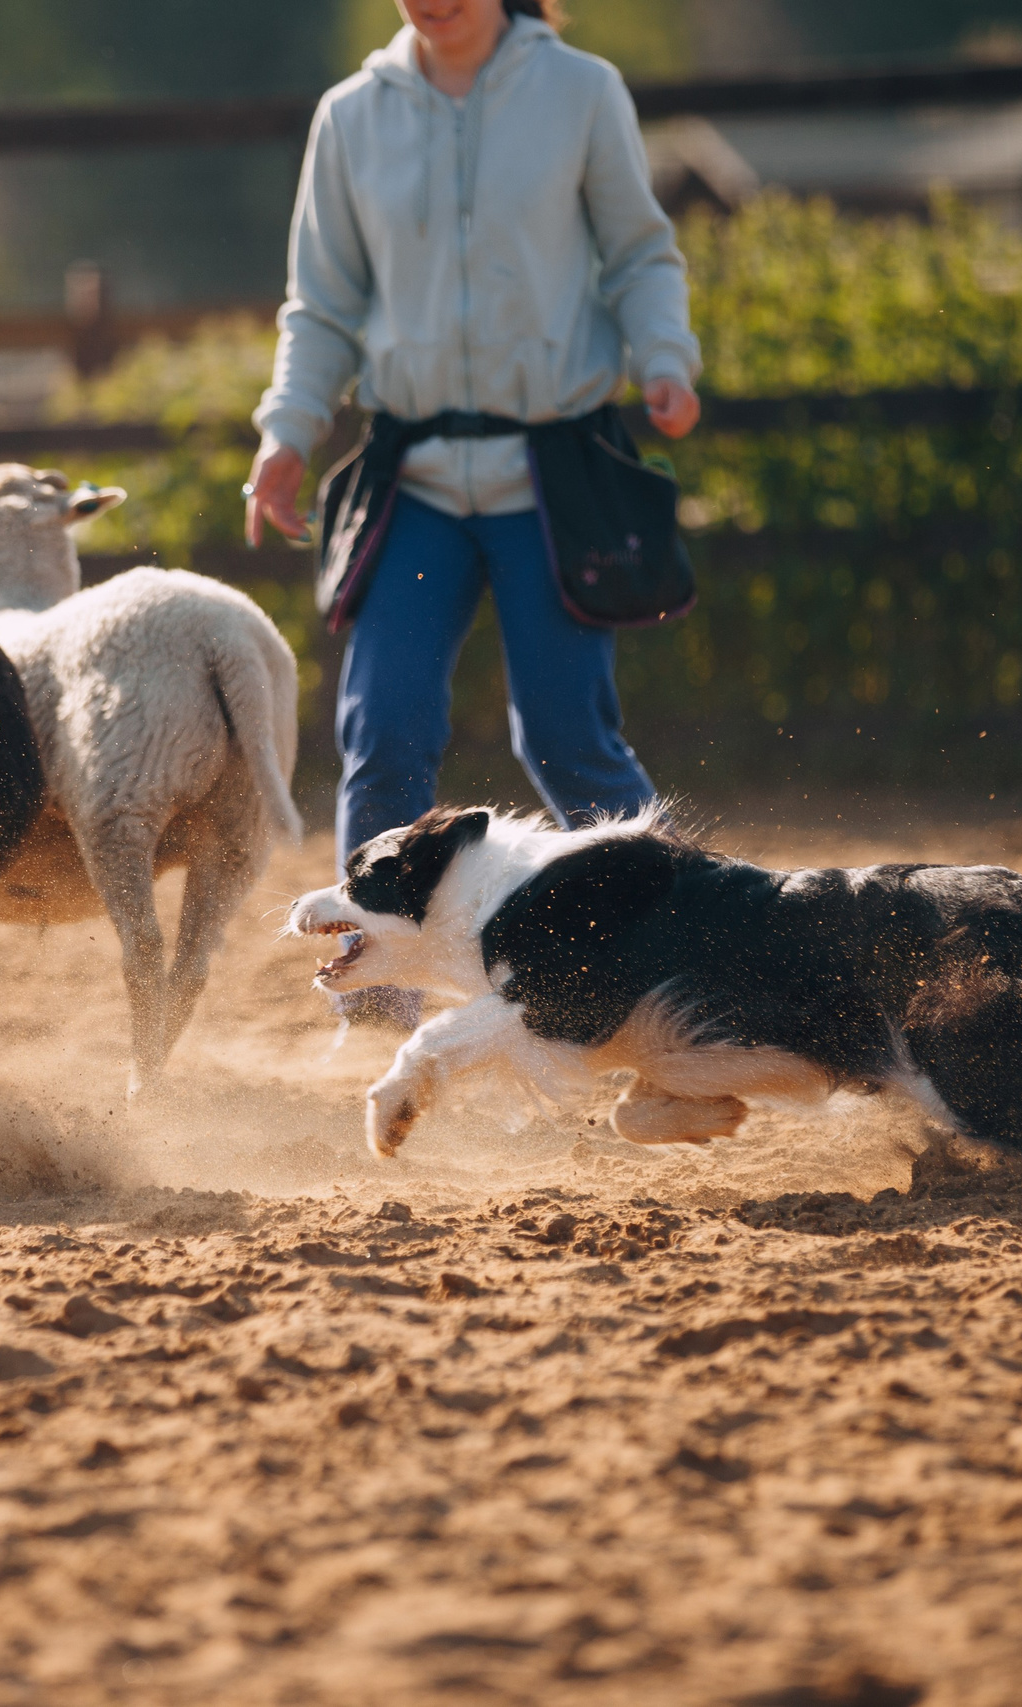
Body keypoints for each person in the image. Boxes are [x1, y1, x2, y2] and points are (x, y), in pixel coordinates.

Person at [245, 0, 701, 1027]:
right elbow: (319, 304)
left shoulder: (580, 92)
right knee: (383, 730)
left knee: (567, 741)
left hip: (552, 474)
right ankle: (375, 1007)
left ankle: (656, 967)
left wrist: (665, 358)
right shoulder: (351, 115)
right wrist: (287, 430)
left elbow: (638, 254)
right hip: (416, 483)